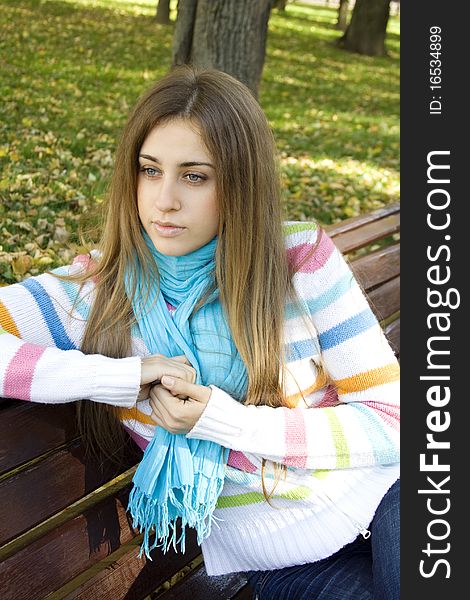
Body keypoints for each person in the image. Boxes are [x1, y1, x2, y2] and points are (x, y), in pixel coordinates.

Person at [0, 66, 399, 599]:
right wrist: (121, 375)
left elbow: (393, 422)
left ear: (238, 182)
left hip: (393, 494)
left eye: (194, 176)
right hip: (288, 560)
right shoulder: (98, 290)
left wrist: (228, 422)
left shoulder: (297, 260)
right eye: (149, 170)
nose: (164, 200)